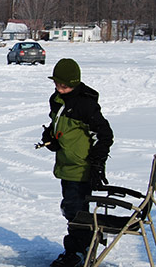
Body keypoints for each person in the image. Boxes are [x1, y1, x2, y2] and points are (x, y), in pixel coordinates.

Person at [41, 58, 114, 267]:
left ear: (75, 83)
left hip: (82, 168)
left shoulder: (85, 104)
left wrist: (97, 163)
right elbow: (59, 126)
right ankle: (79, 248)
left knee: (76, 211)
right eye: (57, 84)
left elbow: (105, 135)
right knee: (72, 210)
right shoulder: (56, 100)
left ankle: (77, 253)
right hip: (66, 166)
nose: (60, 89)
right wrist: (52, 137)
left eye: (65, 86)